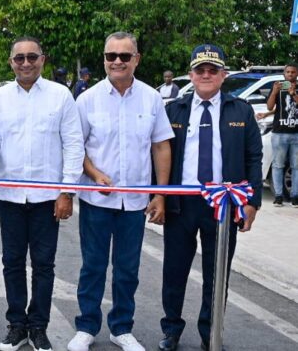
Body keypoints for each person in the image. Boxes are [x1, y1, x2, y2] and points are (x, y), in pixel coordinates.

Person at [68, 31, 173, 351]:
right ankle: (86, 326)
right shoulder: (87, 99)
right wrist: (95, 173)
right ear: (103, 59)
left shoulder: (152, 98)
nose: (116, 61)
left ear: (136, 59)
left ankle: (121, 327)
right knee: (93, 267)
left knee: (128, 269)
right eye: (110, 56)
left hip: (135, 201)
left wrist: (161, 194)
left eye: (124, 56)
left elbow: (161, 147)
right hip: (96, 199)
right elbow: (76, 147)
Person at [0, 37, 84, 351]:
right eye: (19, 58)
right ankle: (16, 326)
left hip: (46, 198)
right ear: (11, 62)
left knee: (43, 265)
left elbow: (74, 145)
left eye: (32, 57)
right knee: (11, 262)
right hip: (10, 195)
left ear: (43, 59)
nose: (26, 63)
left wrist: (67, 191)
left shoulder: (60, 96)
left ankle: (38, 327)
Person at [158, 44, 262, 351]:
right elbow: (160, 155)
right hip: (181, 203)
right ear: (190, 74)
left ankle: (210, 332)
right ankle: (171, 330)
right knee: (174, 272)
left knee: (217, 276)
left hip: (223, 205)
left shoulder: (240, 110)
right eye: (200, 70)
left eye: (212, 70)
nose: (206, 75)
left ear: (223, 75)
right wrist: (159, 196)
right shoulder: (174, 109)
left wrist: (252, 201)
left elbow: (253, 156)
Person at [265, 63, 298, 207]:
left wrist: (293, 94)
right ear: (284, 74)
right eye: (288, 72)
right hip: (279, 133)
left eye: (293, 72)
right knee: (278, 165)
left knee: (296, 166)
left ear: (297, 74)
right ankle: (278, 196)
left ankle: (295, 196)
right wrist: (273, 92)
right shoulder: (277, 87)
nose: (290, 74)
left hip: (296, 133)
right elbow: (270, 107)